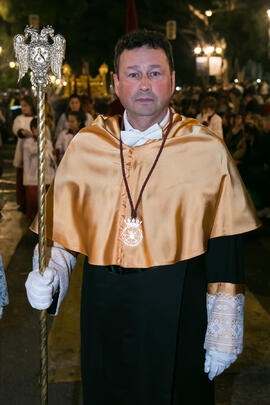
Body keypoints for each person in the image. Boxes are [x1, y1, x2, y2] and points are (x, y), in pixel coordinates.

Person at [25, 30, 260, 405]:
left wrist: (224, 328)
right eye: (133, 74)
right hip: (105, 305)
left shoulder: (205, 148)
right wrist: (51, 273)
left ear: (172, 80)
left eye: (155, 72)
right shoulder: (87, 145)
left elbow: (226, 243)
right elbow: (65, 234)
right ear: (116, 84)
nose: (145, 84)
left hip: (178, 306)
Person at [23, 118, 56, 221]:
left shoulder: (48, 141)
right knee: (34, 204)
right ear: (34, 129)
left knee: (46, 203)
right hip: (33, 177)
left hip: (47, 176)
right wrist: (41, 143)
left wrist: (52, 158)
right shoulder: (28, 142)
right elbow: (33, 152)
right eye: (40, 128)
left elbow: (50, 154)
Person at [12, 96, 36, 212]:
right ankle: (22, 202)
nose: (23, 108)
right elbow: (15, 128)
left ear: (31, 105)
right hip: (22, 150)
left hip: (34, 151)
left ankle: (32, 202)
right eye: (22, 106)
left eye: (25, 105)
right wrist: (21, 131)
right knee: (21, 178)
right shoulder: (19, 118)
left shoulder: (36, 118)